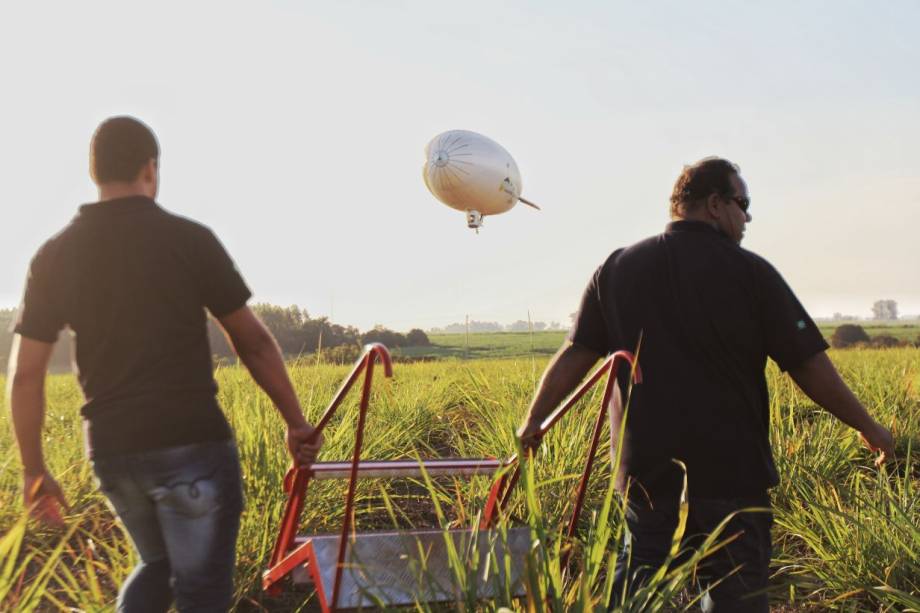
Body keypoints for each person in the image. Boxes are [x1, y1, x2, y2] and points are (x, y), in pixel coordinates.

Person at [515, 157, 895, 612]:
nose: (748, 215)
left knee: (640, 590)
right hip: (730, 471)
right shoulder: (752, 273)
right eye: (743, 202)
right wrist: (869, 427)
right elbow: (808, 365)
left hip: (646, 472)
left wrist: (533, 421)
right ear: (714, 205)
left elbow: (576, 353)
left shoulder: (618, 268)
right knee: (735, 594)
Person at [7, 116, 323, 612]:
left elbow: (25, 374)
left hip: (112, 451)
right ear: (150, 169)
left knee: (157, 565)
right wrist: (295, 423)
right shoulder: (189, 239)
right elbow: (253, 342)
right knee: (199, 590)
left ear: (95, 172)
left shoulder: (53, 255)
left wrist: (33, 468)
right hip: (190, 444)